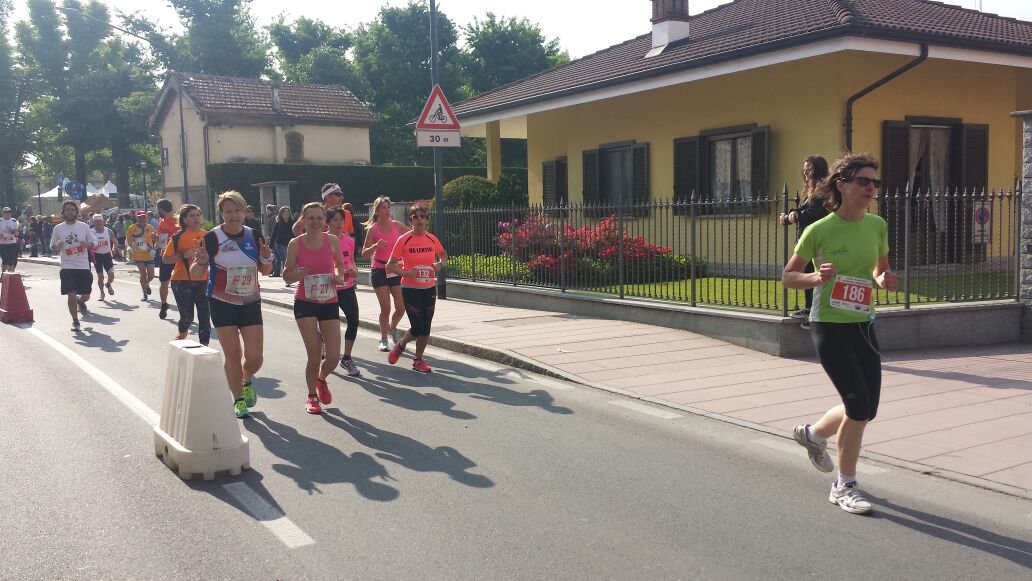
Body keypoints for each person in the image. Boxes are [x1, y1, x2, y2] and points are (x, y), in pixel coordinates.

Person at [782, 153, 898, 516]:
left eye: (874, 183)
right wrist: (816, 277)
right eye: (863, 181)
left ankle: (813, 434)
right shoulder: (819, 229)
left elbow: (879, 271)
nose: (870, 188)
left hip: (863, 325)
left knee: (866, 408)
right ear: (842, 185)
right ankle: (844, 485)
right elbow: (788, 277)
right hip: (829, 326)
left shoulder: (877, 225)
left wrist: (884, 280)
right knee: (858, 406)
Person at [190, 191, 273, 419]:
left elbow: (266, 271)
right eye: (228, 211)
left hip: (249, 301)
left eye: (237, 210)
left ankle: (246, 379)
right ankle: (238, 398)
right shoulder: (212, 238)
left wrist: (266, 258)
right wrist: (202, 261)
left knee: (255, 357)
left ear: (244, 211)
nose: (233, 215)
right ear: (221, 213)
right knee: (233, 353)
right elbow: (195, 271)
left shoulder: (254, 235)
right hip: (220, 301)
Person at [283, 203, 347, 414]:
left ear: (324, 221)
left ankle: (321, 379)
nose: (316, 222)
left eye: (319, 218)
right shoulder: (295, 244)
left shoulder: (332, 240)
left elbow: (339, 263)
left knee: (333, 357)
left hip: (328, 300)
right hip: (305, 301)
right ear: (303, 221)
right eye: (311, 218)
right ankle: (311, 396)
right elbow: (286, 275)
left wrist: (339, 275)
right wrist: (298, 273)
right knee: (314, 353)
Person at [386, 204, 448, 373]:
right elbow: (390, 265)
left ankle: (418, 360)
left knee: (426, 327)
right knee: (418, 326)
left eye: (422, 216)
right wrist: (406, 272)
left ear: (427, 220)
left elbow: (443, 254)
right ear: (410, 220)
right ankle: (401, 346)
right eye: (415, 217)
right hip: (410, 288)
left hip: (428, 288)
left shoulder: (432, 239)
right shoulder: (404, 239)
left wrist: (439, 265)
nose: (419, 219)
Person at [780, 155, 831, 328]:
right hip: (806, 238)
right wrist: (790, 215)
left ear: (818, 169)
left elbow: (816, 212)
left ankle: (815, 315)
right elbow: (803, 208)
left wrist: (796, 216)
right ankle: (809, 308)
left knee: (817, 277)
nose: (806, 172)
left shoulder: (824, 189)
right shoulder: (811, 189)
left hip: (817, 239)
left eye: (809, 169)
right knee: (809, 274)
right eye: (804, 169)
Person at [361, 196, 410, 351]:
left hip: (394, 269)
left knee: (401, 307)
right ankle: (383, 339)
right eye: (383, 208)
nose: (387, 211)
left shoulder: (397, 225)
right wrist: (375, 246)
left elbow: (412, 235)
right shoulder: (373, 229)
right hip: (379, 270)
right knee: (386, 308)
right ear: (377, 210)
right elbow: (363, 253)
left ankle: (393, 327)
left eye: (388, 207)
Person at [163, 204, 210, 344]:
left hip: (203, 280)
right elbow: (165, 260)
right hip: (181, 281)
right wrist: (184, 255)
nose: (196, 218)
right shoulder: (178, 238)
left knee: (205, 316)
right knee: (187, 317)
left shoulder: (207, 235)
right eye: (192, 216)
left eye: (197, 215)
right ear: (184, 220)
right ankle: (183, 331)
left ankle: (204, 344)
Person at [51, 201, 97, 331]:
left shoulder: (83, 227)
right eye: (67, 210)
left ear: (76, 212)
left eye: (72, 210)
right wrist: (56, 247)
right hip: (67, 266)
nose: (70, 212)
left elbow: (94, 241)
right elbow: (52, 245)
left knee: (86, 295)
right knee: (71, 294)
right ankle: (75, 321)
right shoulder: (58, 228)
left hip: (82, 266)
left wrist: (89, 244)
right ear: (63, 212)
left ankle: (81, 301)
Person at [327, 208, 361, 375]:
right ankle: (324, 353)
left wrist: (353, 270)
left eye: (341, 219)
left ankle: (346, 358)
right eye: (335, 220)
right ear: (328, 223)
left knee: (354, 321)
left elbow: (352, 261)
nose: (339, 222)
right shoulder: (323, 240)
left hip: (346, 288)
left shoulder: (349, 240)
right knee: (327, 327)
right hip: (328, 290)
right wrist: (333, 274)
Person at [155, 199, 179, 319]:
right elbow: (161, 239)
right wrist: (157, 241)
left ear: (161, 209)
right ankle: (164, 304)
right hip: (166, 255)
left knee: (170, 283)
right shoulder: (161, 221)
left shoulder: (178, 221)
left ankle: (166, 304)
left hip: (176, 256)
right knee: (165, 282)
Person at [125, 211, 157, 300]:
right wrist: (132, 246)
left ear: (146, 217)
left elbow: (155, 238)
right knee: (143, 273)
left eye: (143, 217)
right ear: (136, 218)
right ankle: (144, 294)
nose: (141, 219)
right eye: (139, 217)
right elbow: (129, 240)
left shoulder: (150, 227)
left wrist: (154, 247)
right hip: (138, 255)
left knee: (151, 275)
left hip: (149, 255)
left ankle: (146, 284)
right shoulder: (132, 228)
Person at [89, 214, 117, 300]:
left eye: (99, 221)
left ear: (103, 221)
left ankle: (108, 284)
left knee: (111, 276)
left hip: (107, 255)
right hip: (97, 256)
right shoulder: (91, 232)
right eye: (96, 221)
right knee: (100, 277)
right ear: (93, 222)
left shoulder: (108, 231)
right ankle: (102, 292)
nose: (98, 223)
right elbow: (88, 243)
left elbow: (115, 241)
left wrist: (113, 248)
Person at [269, 206, 293, 278]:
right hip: (280, 244)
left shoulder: (292, 222)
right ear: (281, 214)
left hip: (290, 244)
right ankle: (287, 276)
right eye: (284, 212)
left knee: (290, 259)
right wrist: (270, 246)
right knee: (285, 259)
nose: (286, 213)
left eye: (287, 211)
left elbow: (295, 233)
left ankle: (288, 274)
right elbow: (274, 235)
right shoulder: (278, 223)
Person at [0, 207, 19, 275]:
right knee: (5, 260)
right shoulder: (0, 221)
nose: (7, 214)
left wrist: (13, 231)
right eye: (6, 213)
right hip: (3, 243)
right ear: (3, 213)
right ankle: (3, 274)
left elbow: (17, 233)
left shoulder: (14, 221)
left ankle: (10, 276)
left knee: (12, 261)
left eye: (9, 213)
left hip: (12, 243)